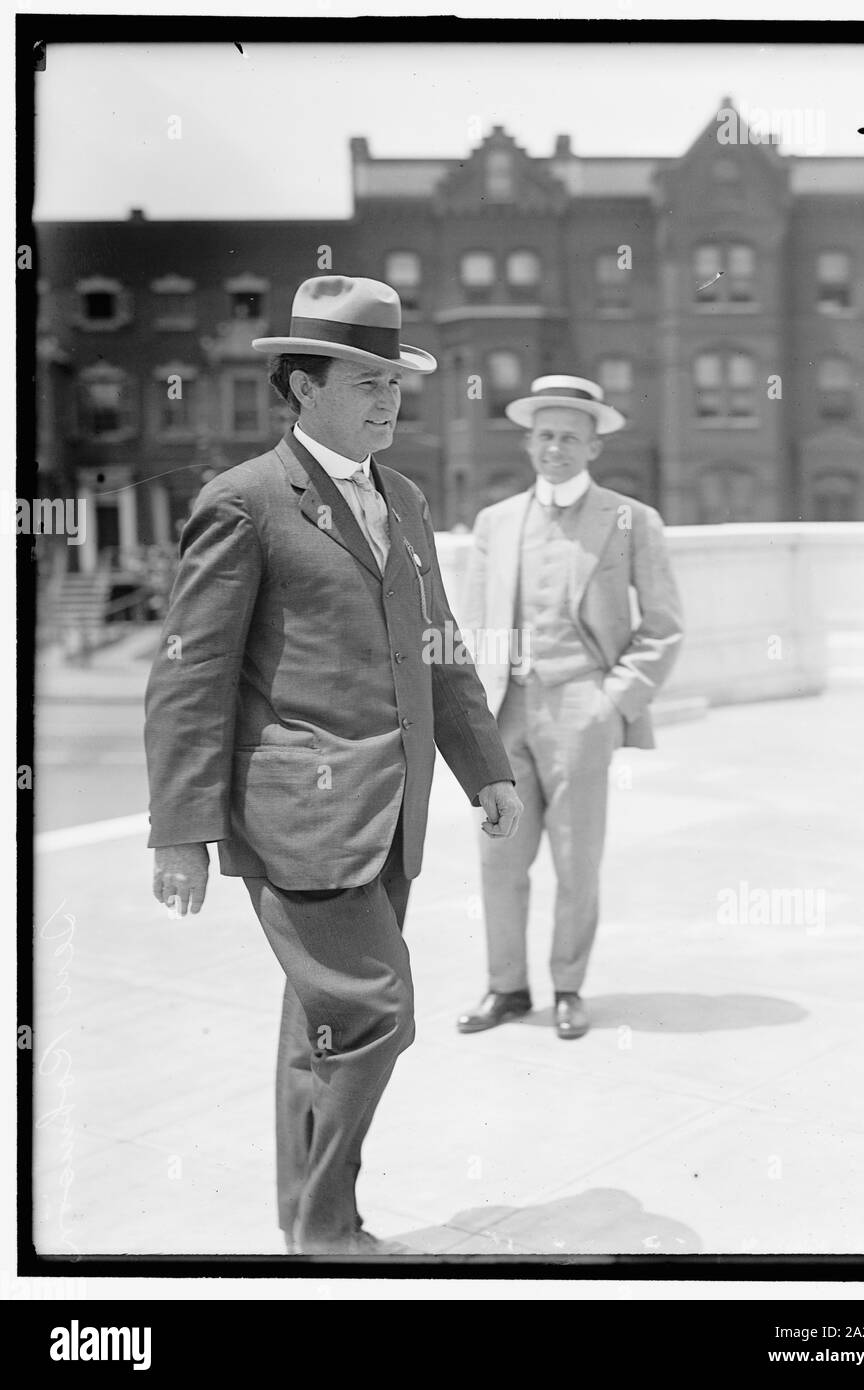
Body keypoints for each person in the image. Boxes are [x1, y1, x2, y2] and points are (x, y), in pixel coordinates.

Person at [144, 275, 521, 1257]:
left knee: (320, 1029)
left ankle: (306, 1222)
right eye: (364, 379)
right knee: (375, 1013)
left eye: (393, 378)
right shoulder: (244, 503)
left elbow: (437, 647)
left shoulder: (402, 496)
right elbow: (189, 680)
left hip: (392, 817)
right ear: (301, 386)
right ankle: (325, 1233)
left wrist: (485, 768)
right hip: (300, 821)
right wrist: (181, 834)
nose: (387, 397)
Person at [457, 376, 682, 1041]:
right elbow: (474, 625)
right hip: (505, 709)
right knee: (497, 857)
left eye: (569, 438)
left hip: (583, 703)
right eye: (544, 436)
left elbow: (664, 624)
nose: (555, 448)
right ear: (529, 442)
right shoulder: (495, 524)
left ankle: (567, 987)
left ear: (593, 446)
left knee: (575, 857)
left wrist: (613, 701)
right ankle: (505, 986)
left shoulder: (629, 520)